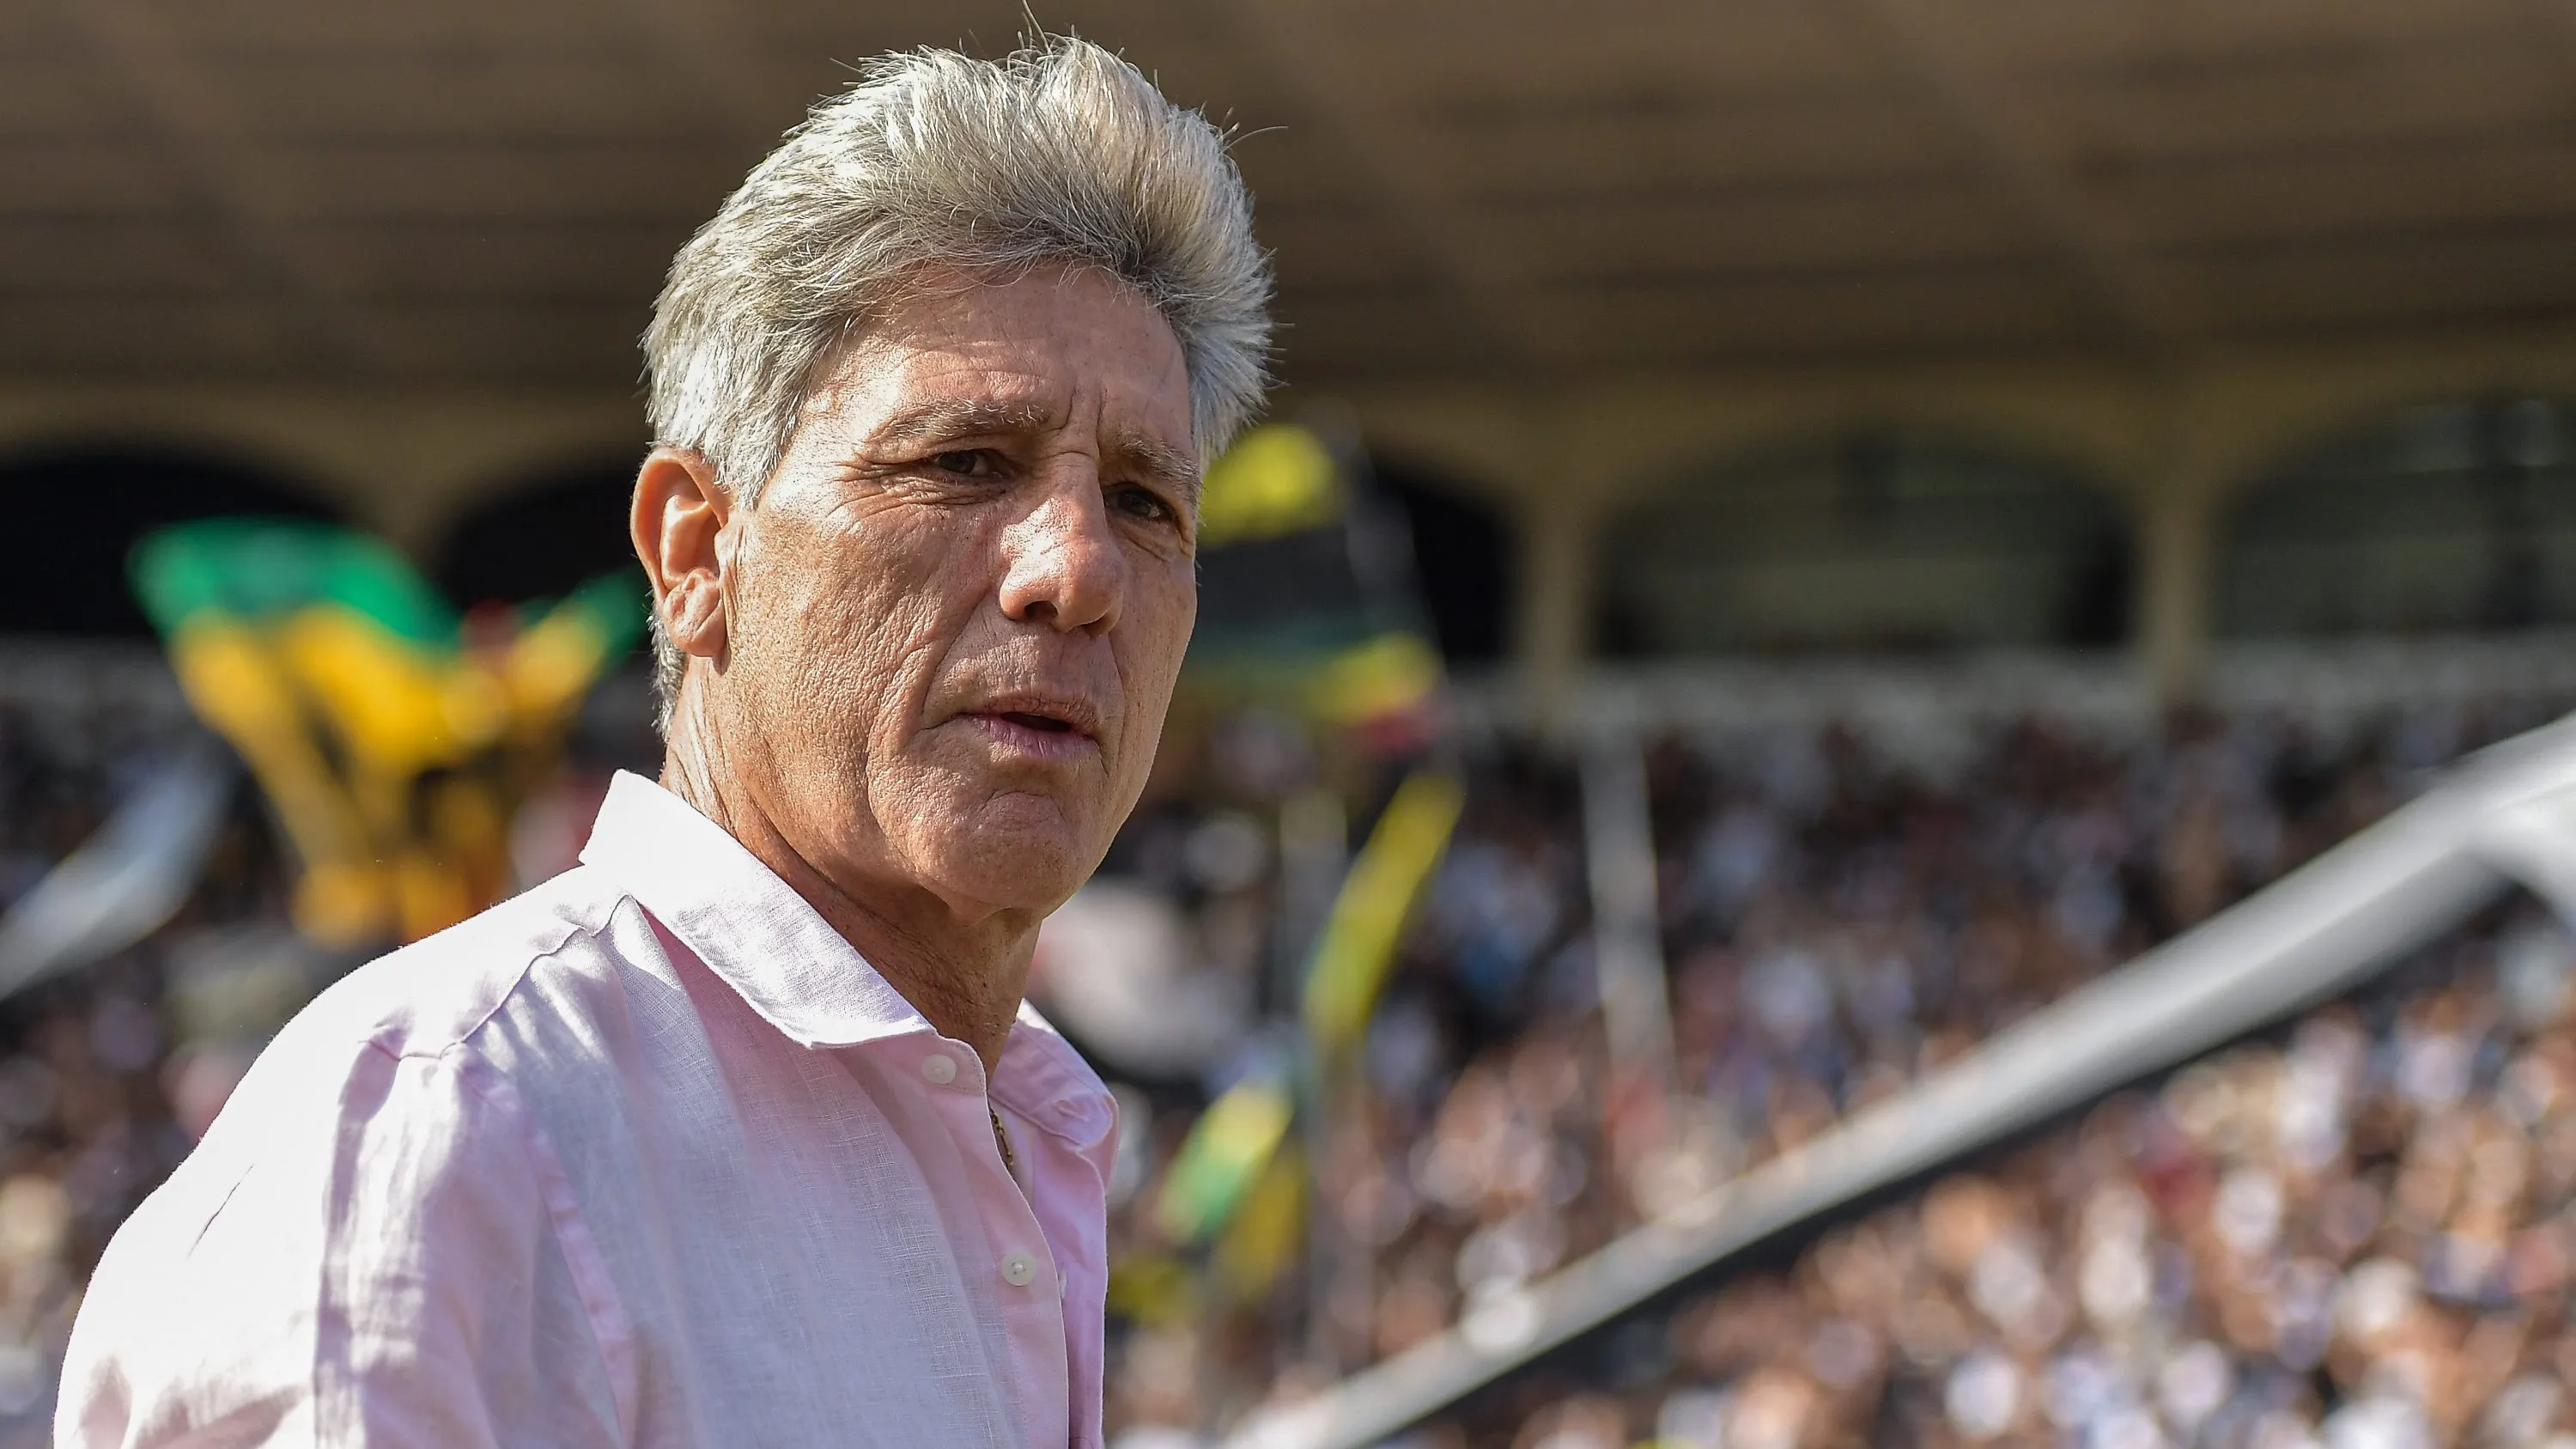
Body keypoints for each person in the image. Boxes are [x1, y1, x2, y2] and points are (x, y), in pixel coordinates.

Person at [57, 36, 1269, 1449]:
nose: (1078, 570)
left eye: (1146, 502)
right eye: (963, 463)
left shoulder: (1034, 1137)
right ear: (697, 551)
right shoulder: (449, 1129)